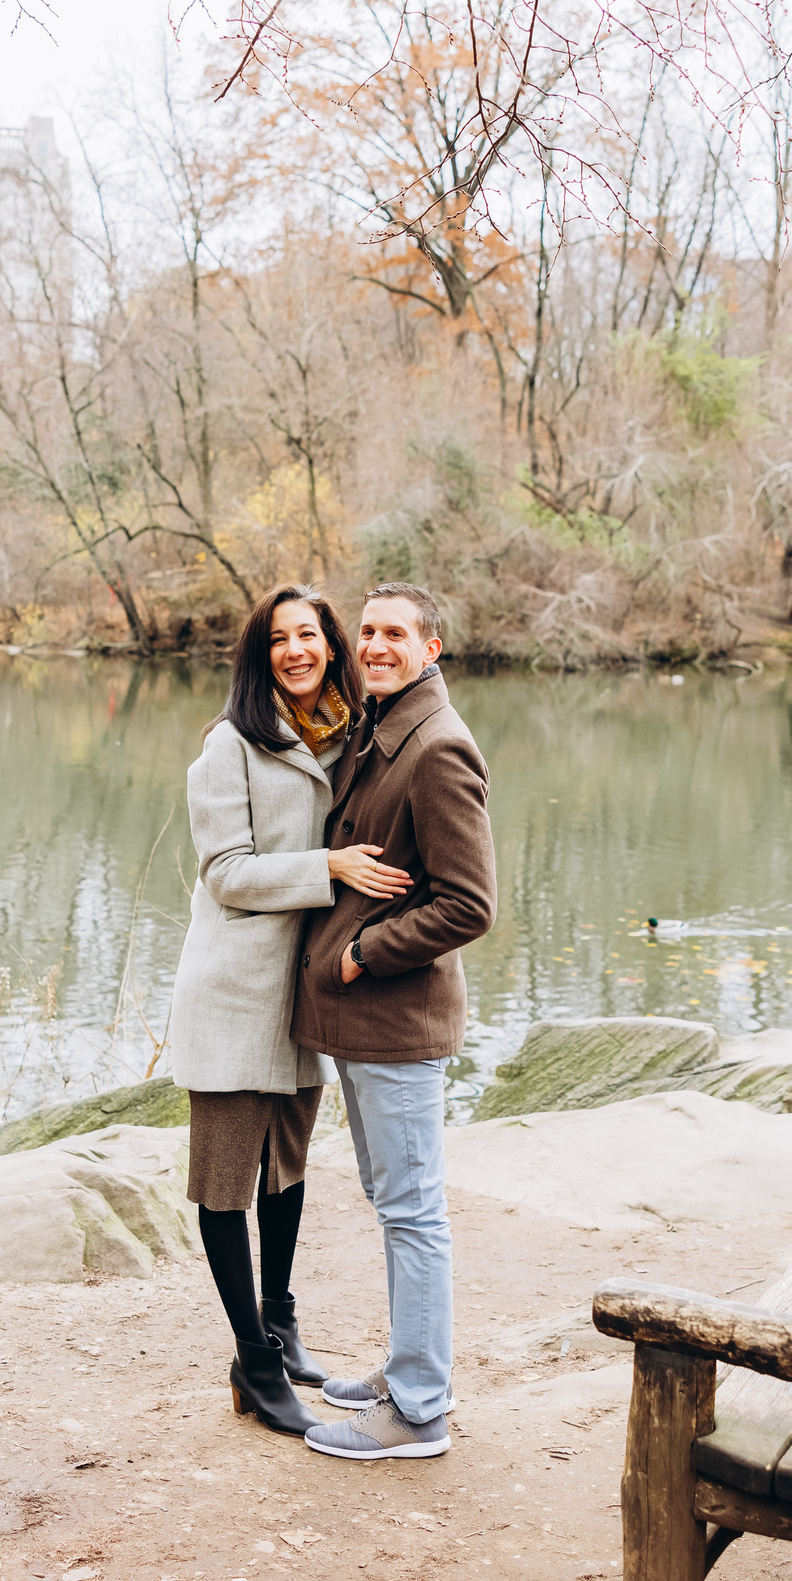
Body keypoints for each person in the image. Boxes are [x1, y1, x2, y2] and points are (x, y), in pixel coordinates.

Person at [166, 584, 414, 1436]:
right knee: (228, 1181)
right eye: (279, 640)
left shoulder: (351, 736)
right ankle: (254, 1359)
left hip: (303, 994)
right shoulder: (228, 746)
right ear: (259, 654)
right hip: (235, 993)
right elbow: (227, 873)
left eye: (309, 635)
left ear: (330, 645)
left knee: (287, 1171)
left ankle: (281, 1317)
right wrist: (331, 869)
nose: (296, 651)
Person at [290, 582, 496, 1462]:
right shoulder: (382, 731)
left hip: (397, 1019)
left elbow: (469, 904)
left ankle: (418, 1411)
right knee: (392, 1202)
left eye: (395, 634)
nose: (374, 645)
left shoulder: (438, 750)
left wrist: (363, 953)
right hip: (362, 1028)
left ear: (431, 647)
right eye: (366, 631)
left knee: (412, 1212)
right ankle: (408, 1367)